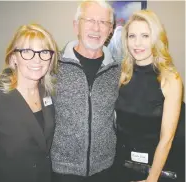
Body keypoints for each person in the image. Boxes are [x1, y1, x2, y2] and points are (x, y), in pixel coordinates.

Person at [50, 1, 121, 182]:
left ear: (110, 29)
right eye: (89, 20)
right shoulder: (53, 65)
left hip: (105, 167)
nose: (96, 28)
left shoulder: (118, 70)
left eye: (103, 22)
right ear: (76, 26)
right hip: (63, 170)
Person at [0, 24, 58, 182]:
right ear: (13, 57)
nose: (37, 59)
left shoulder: (48, 93)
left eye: (44, 52)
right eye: (27, 51)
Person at [115, 9, 183, 182]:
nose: (137, 43)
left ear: (156, 38)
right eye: (132, 36)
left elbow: (167, 138)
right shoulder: (122, 74)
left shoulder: (170, 79)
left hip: (158, 168)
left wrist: (151, 179)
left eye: (145, 35)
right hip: (123, 164)